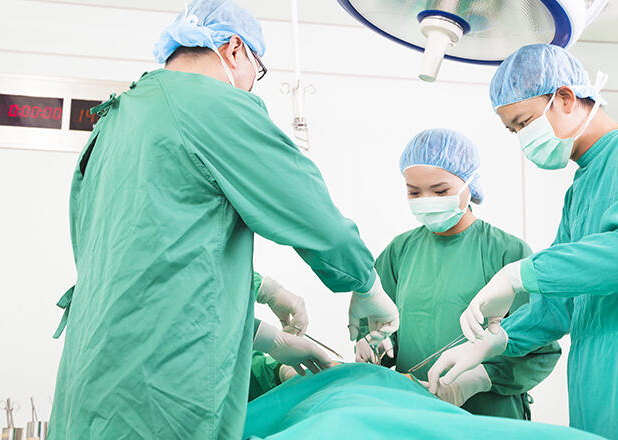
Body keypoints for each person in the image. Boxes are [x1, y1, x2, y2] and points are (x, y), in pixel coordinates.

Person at [47, 1, 398, 439]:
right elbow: (313, 214)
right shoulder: (214, 104)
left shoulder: (114, 119)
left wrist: (263, 332)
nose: (252, 88)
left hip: (87, 390)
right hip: (161, 401)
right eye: (258, 71)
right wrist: (366, 286)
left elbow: (147, 263)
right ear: (235, 50)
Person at [426, 44, 618, 439]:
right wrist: (495, 342)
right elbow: (560, 302)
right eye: (513, 130)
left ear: (565, 97)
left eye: (524, 122)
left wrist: (517, 275)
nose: (522, 139)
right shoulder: (580, 190)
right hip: (596, 386)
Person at [355, 129, 561, 419]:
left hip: (490, 417)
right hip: (414, 414)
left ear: (469, 183)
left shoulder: (507, 252)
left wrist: (477, 379)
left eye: (440, 191)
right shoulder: (399, 252)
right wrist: (373, 346)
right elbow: (381, 329)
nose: (426, 199)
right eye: (414, 192)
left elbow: (541, 349)